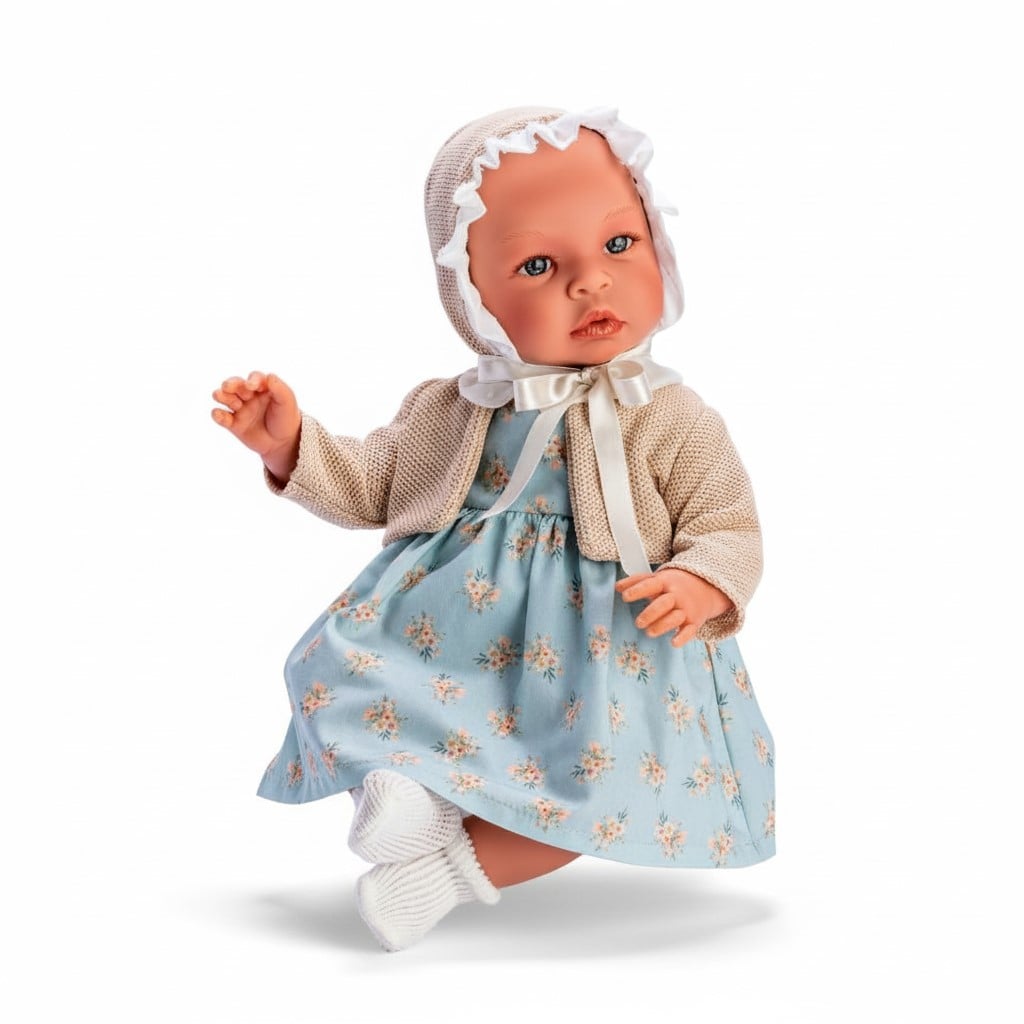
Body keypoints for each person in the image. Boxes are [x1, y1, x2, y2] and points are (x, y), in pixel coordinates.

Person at [211, 107, 775, 952]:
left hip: (610, 651)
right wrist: (291, 446)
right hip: (459, 637)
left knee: (598, 787)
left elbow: (726, 522)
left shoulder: (671, 418)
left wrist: (700, 583)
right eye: (540, 264)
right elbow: (376, 486)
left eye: (619, 244)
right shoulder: (457, 407)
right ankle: (410, 795)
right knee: (356, 679)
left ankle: (437, 873)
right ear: (472, 296)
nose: (591, 281)